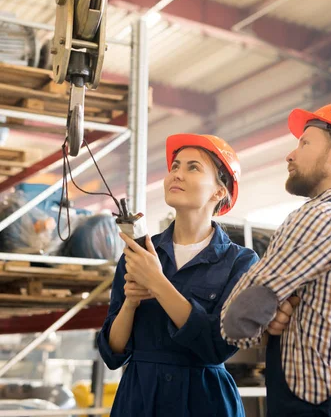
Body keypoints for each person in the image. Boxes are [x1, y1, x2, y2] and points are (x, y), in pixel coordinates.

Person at [97, 133, 296, 417]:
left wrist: (158, 282)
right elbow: (111, 354)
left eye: (193, 167)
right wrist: (130, 303)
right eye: (175, 166)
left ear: (218, 191)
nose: (177, 174)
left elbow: (217, 346)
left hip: (204, 401)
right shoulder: (140, 253)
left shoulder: (240, 262)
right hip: (139, 399)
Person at [221, 102, 331, 416]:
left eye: (304, 143)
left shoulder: (320, 217)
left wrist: (269, 318)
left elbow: (236, 321)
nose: (290, 154)